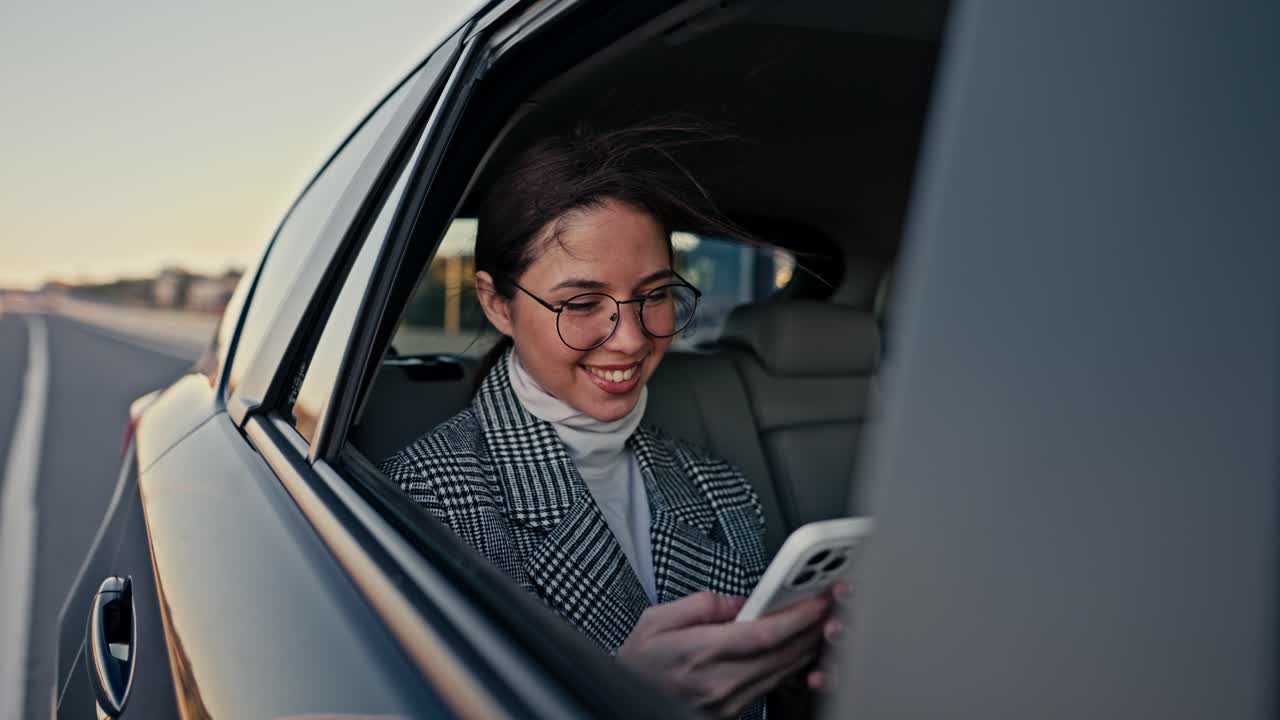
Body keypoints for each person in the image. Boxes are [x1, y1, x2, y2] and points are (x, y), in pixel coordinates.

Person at [379, 126, 840, 719]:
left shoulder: (720, 486)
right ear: (497, 304)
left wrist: (800, 668)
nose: (630, 340)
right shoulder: (427, 500)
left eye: (654, 295)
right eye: (580, 304)